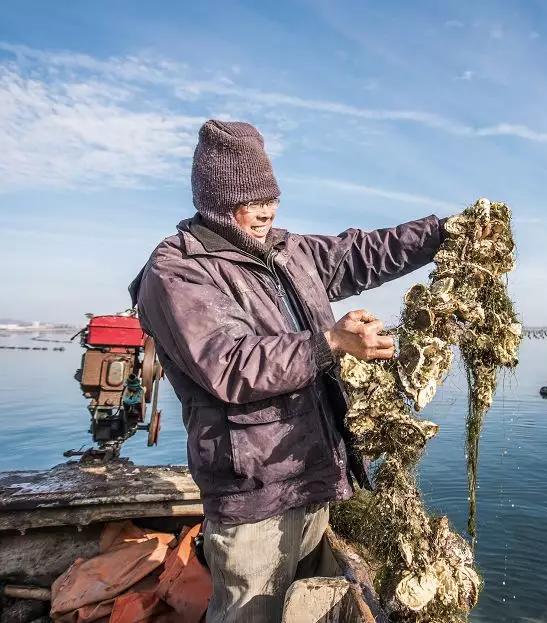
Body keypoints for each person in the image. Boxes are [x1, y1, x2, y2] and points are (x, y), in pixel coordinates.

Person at [129, 120, 449, 622]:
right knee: (249, 611)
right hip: (252, 492)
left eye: (271, 198)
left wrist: (442, 233)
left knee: (307, 607)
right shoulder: (179, 269)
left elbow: (362, 253)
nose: (267, 211)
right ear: (216, 203)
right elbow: (231, 364)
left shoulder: (287, 250)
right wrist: (331, 343)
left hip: (313, 475)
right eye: (251, 202)